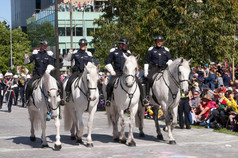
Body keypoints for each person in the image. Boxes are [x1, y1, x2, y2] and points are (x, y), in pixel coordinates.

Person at [105, 38, 144, 107]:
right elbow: (108, 62)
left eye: (126, 45)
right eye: (125, 45)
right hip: (116, 72)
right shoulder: (114, 51)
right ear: (120, 44)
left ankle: (142, 99)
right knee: (110, 83)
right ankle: (108, 99)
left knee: (139, 82)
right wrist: (112, 71)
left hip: (127, 73)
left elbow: (132, 63)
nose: (126, 47)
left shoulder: (128, 53)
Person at [24, 39, 64, 106]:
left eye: (46, 45)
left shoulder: (49, 54)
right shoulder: (36, 53)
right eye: (44, 45)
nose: (45, 47)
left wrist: (59, 59)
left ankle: (61, 99)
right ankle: (28, 100)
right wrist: (26, 58)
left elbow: (52, 64)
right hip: (38, 74)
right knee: (29, 84)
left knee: (59, 83)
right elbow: (28, 62)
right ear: (41, 45)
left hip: (47, 74)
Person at [143, 35, 172, 104]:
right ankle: (147, 96)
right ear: (155, 42)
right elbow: (146, 61)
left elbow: (170, 59)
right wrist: (146, 71)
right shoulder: (151, 50)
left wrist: (167, 64)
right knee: (149, 78)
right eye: (158, 41)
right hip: (155, 68)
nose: (159, 42)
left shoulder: (166, 49)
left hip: (164, 68)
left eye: (160, 41)